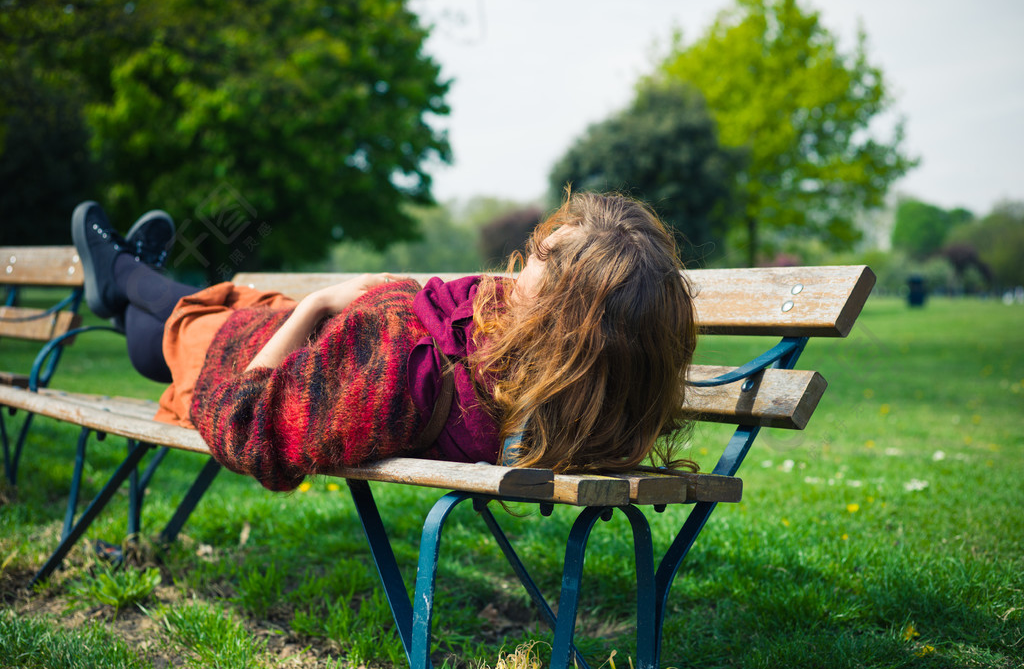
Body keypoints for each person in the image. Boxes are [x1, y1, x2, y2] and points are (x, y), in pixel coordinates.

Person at [70, 192, 698, 491]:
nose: (519, 263)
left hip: (229, 362)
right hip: (296, 345)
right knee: (197, 304)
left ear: (562, 317)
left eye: (539, 256)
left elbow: (242, 420)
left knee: (172, 323)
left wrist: (318, 304)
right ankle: (126, 275)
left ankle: (121, 273)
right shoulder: (569, 398)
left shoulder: (411, 373)